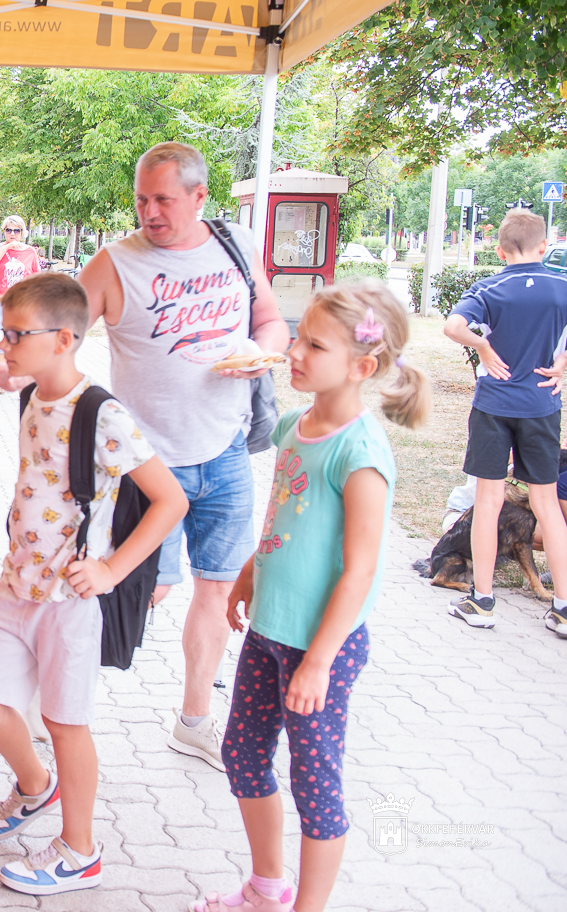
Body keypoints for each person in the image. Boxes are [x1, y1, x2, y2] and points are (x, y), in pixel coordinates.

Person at [0, 142, 289, 768]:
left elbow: (270, 319)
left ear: (199, 197)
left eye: (163, 200)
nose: (150, 212)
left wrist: (264, 351)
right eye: (142, 200)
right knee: (134, 589)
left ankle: (194, 720)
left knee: (217, 588)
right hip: (140, 465)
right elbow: (58, 333)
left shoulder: (235, 246)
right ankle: (42, 696)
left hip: (224, 449)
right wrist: (16, 371)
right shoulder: (116, 263)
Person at [195, 281, 427, 912]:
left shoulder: (361, 451)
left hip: (321, 650)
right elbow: (284, 518)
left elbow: (360, 570)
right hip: (269, 631)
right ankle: (267, 887)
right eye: (298, 337)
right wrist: (250, 572)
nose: (294, 352)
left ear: (362, 366)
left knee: (315, 783)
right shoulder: (295, 426)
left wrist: (320, 661)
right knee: (243, 755)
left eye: (315, 346)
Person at [0, 274, 186, 898]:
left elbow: (171, 500)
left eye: (17, 335)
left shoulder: (104, 414)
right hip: (16, 586)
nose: (5, 343)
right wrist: (9, 371)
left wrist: (112, 570)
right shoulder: (34, 394)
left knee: (65, 724)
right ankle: (36, 786)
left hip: (70, 601)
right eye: (4, 332)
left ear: (63, 339)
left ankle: (79, 852)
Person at [441, 209, 567, 637]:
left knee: (489, 500)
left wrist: (483, 348)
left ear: (500, 251)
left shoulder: (488, 288)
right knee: (547, 504)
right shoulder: (561, 286)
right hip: (542, 405)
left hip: (494, 405)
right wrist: (561, 363)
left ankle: (482, 601)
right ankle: (563, 609)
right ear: (543, 247)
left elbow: (453, 327)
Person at [0, 215, 42, 367]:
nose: (12, 234)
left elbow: (37, 277)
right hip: (1, 304)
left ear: (22, 232)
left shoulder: (30, 251)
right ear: (4, 231)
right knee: (1, 340)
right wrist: (7, 247)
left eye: (16, 230)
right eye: (9, 230)